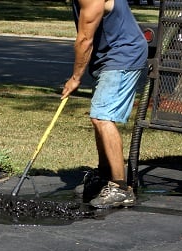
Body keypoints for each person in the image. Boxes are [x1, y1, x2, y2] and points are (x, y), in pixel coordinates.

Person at [62, 0, 148, 208]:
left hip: (123, 54)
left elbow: (84, 40)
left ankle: (120, 188)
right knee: (98, 116)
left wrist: (75, 78)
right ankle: (103, 176)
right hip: (108, 57)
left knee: (103, 116)